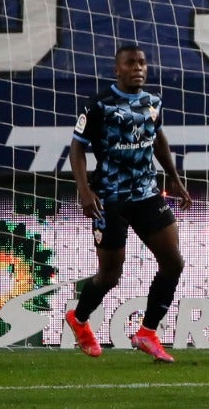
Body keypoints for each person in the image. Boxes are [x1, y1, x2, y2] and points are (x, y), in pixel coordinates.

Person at [64, 44, 190, 363]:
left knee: (173, 262)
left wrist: (173, 176)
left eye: (143, 63)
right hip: (110, 199)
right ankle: (78, 320)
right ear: (116, 70)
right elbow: (76, 149)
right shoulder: (99, 106)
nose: (138, 68)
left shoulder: (153, 102)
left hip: (146, 194)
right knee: (109, 276)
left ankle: (147, 332)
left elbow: (157, 138)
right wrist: (84, 190)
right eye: (131, 63)